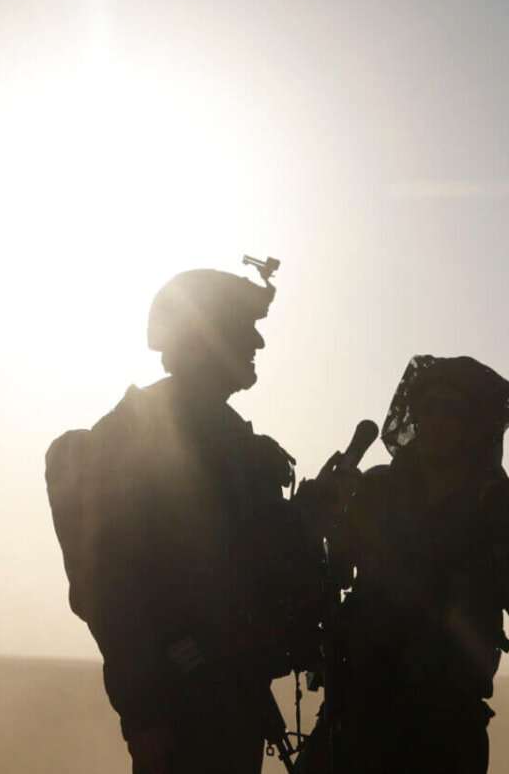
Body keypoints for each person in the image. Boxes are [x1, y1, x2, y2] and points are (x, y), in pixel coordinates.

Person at [47, 266, 329, 774]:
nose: (258, 343)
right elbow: (111, 595)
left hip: (234, 697)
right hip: (181, 712)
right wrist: (146, 719)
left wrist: (310, 518)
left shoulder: (235, 444)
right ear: (203, 338)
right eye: (243, 329)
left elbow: (254, 561)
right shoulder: (133, 437)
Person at [311, 356, 509, 774]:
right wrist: (323, 514)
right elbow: (330, 575)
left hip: (445, 728)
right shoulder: (377, 490)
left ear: (475, 425)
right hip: (357, 711)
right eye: (428, 408)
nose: (437, 420)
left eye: (453, 410)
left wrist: (502, 532)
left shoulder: (499, 508)